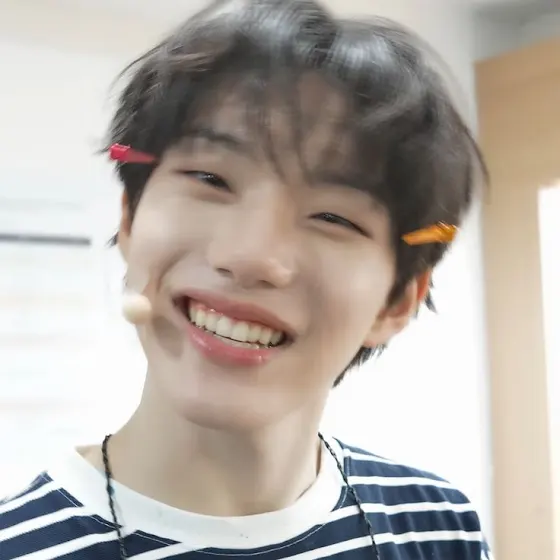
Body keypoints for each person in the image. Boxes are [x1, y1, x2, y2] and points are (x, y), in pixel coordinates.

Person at [0, 0, 492, 558]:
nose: (250, 256)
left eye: (333, 217)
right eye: (210, 178)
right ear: (130, 220)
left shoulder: (439, 528)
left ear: (397, 301)